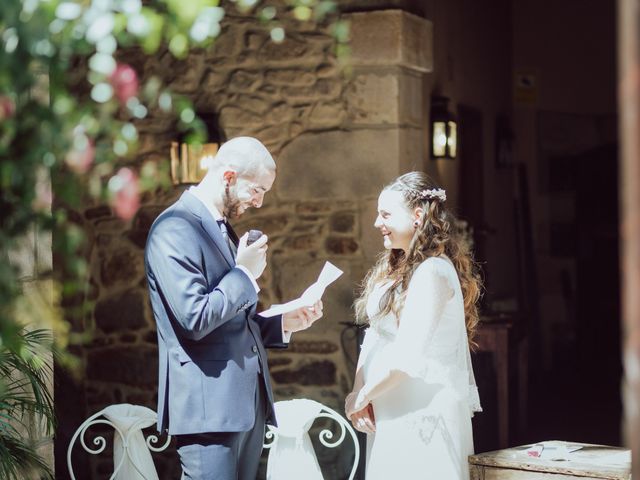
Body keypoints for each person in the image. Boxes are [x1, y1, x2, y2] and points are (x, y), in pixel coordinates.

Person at [144, 136, 323, 480]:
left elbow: (232, 322)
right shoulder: (174, 228)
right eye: (256, 190)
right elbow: (195, 318)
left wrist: (284, 323)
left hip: (244, 405)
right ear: (228, 176)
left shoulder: (221, 228)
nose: (259, 202)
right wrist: (243, 273)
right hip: (208, 407)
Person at [345, 171, 483, 479]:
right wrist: (357, 392)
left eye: (386, 215)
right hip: (389, 404)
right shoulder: (394, 268)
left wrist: (364, 396)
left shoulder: (433, 272)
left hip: (423, 409)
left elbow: (408, 357)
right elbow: (375, 335)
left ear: (417, 216)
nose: (376, 223)